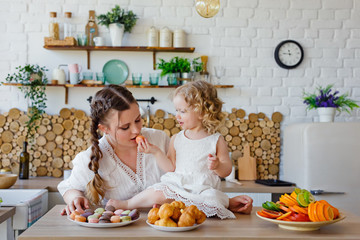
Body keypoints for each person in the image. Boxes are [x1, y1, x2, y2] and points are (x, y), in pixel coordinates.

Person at [58, 84, 253, 216]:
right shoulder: (93, 156)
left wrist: (223, 202)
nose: (136, 130)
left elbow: (189, 181)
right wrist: (75, 198)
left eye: (138, 120)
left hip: (168, 230)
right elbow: (68, 187)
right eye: (125, 127)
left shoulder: (159, 139)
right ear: (104, 129)